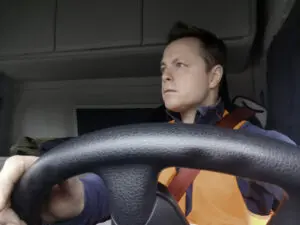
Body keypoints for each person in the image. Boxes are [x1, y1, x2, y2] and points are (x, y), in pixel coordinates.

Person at [0, 22, 296, 225]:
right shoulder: (149, 143)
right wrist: (70, 197)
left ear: (214, 76)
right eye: (164, 68)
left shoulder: (254, 141)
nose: (166, 75)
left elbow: (286, 171)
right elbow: (108, 190)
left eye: (180, 65)